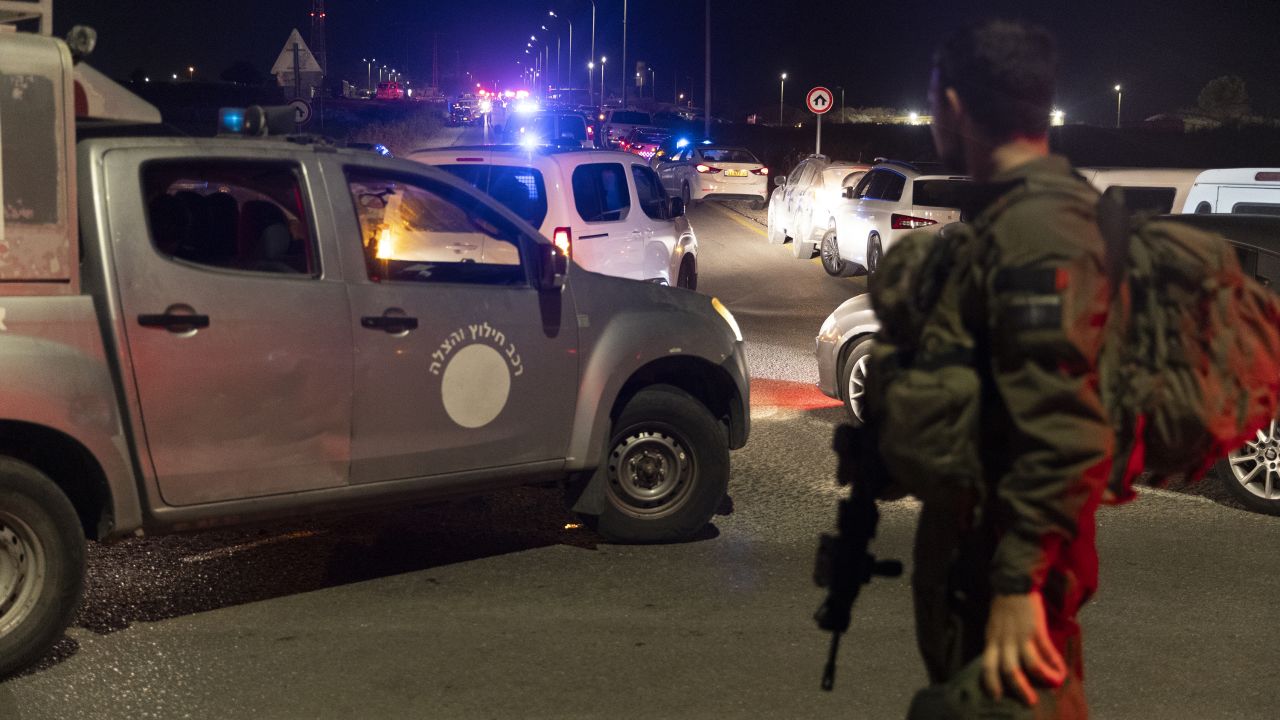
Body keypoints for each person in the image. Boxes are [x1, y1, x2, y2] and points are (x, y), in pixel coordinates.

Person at [891, 19, 1115, 719]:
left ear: (954, 107)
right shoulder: (1026, 216)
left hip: (1005, 577)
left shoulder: (1036, 232)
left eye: (934, 102)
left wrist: (1018, 583)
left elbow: (1064, 417)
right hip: (985, 560)